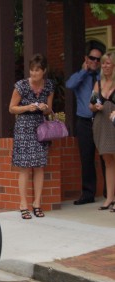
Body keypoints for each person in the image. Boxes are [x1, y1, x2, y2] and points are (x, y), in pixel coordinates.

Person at [9, 53, 54, 219]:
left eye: (37, 70)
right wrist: (28, 107)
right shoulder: (21, 86)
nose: (34, 74)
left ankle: (37, 203)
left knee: (40, 166)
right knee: (25, 167)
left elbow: (50, 109)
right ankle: (23, 204)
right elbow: (12, 108)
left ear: (44, 71)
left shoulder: (49, 86)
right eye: (32, 70)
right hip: (24, 129)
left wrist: (44, 107)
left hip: (41, 129)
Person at [66, 44, 106, 205]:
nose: (95, 61)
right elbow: (69, 85)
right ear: (86, 58)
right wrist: (84, 70)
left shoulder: (102, 78)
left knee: (106, 156)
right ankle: (88, 194)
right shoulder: (80, 77)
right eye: (92, 58)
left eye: (98, 59)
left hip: (101, 121)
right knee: (87, 158)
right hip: (84, 122)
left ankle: (109, 194)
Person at [89, 52, 115, 211]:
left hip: (114, 124)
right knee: (108, 162)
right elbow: (90, 104)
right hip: (101, 124)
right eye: (104, 63)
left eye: (109, 63)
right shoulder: (97, 84)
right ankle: (110, 198)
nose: (105, 66)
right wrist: (95, 106)